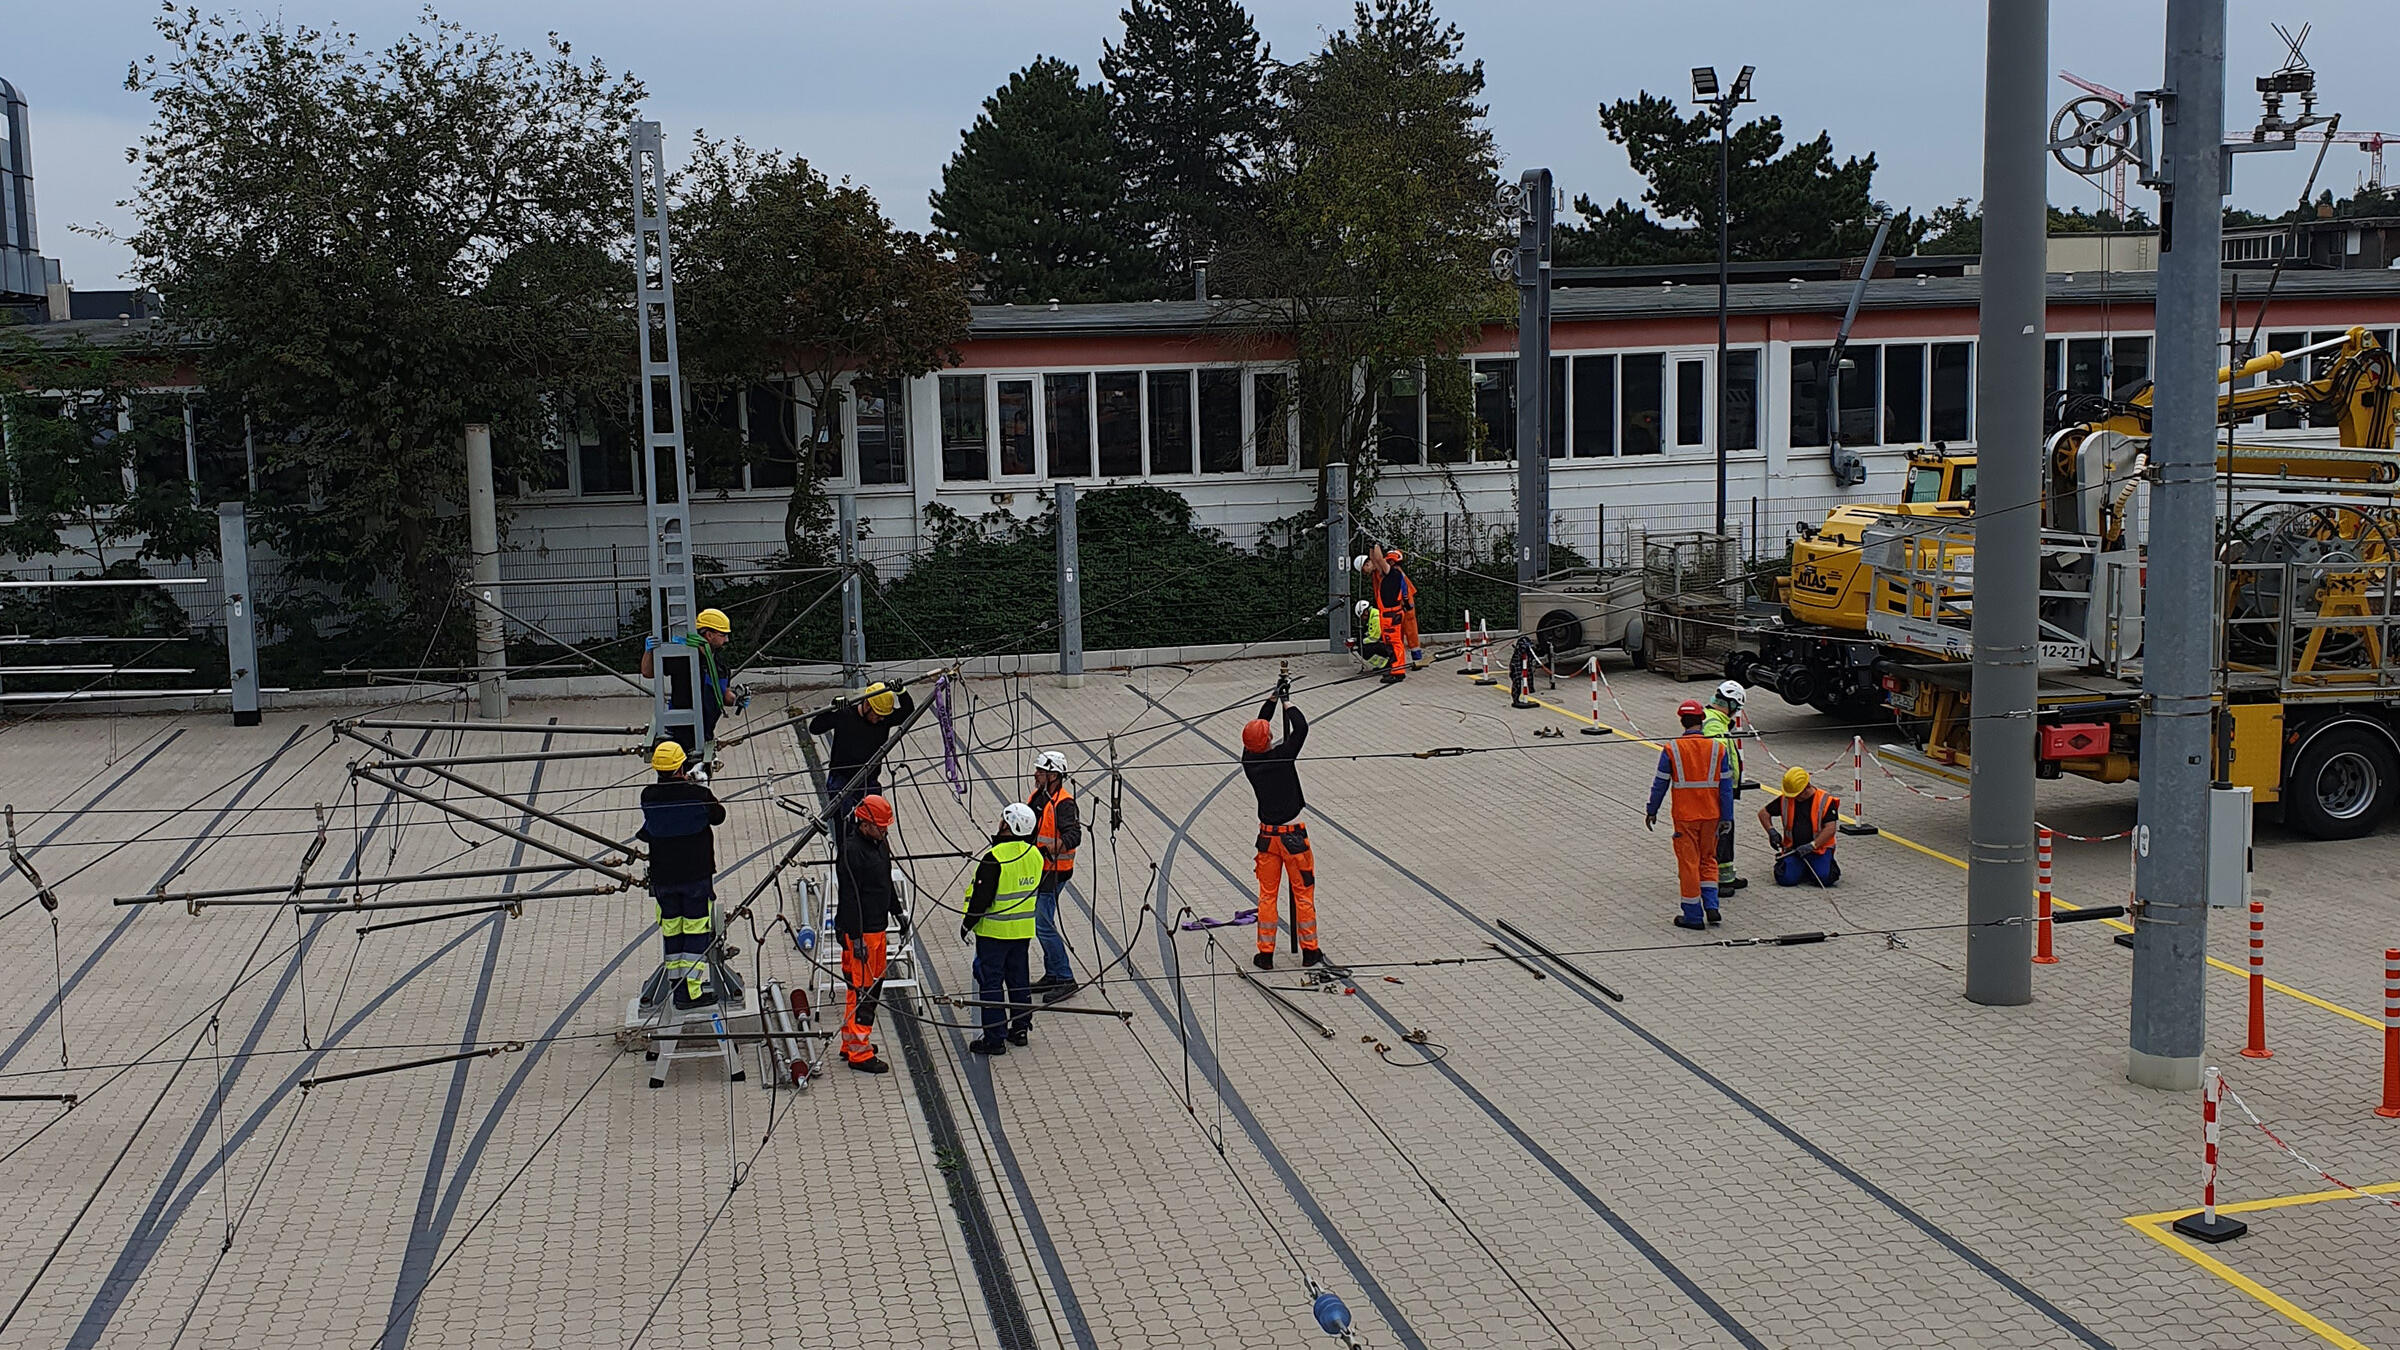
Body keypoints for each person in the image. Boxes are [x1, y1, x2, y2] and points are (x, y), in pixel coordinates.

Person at [637, 739, 727, 1008]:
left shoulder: (648, 796)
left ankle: (677, 989)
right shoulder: (697, 795)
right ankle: (693, 991)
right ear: (680, 768)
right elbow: (718, 815)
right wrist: (700, 786)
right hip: (695, 877)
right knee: (696, 932)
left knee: (673, 933)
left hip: (664, 878)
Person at [1241, 686, 1325, 969]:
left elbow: (1258, 730)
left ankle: (1265, 954)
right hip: (1293, 838)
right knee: (1303, 894)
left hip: (1266, 838)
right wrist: (1286, 702)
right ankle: (1310, 951)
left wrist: (1270, 700)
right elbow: (1300, 728)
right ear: (1268, 740)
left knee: (1267, 895)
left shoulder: (1249, 761)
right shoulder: (1283, 756)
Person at [960, 802, 1045, 1056]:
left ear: (1008, 826)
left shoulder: (994, 858)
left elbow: (981, 898)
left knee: (992, 984)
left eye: (1003, 820)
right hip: (1022, 931)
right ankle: (1020, 1028)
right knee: (1018, 981)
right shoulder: (1035, 855)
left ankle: (994, 1038)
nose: (999, 823)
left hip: (994, 933)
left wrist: (967, 924)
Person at [1645, 699, 1736, 931]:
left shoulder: (1672, 749)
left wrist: (1651, 810)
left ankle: (1693, 916)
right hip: (1712, 816)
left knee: (1689, 864)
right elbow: (1726, 788)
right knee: (1708, 860)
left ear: (1682, 722)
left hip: (1685, 818)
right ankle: (1712, 907)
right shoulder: (1718, 749)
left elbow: (1660, 784)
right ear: (1702, 721)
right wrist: (1727, 817)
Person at [834, 794, 906, 1073]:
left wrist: (897, 911)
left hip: (876, 928)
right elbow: (849, 896)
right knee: (865, 992)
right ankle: (860, 1054)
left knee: (864, 988)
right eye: (881, 827)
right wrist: (856, 936)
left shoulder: (877, 844)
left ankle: (850, 1042)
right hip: (861, 933)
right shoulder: (852, 851)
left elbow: (884, 881)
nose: (885, 831)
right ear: (864, 824)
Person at [639, 608, 740, 764]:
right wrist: (649, 652)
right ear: (709, 635)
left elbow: (723, 694)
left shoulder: (718, 663)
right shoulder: (684, 658)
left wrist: (737, 699)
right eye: (723, 635)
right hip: (681, 733)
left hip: (705, 732)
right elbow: (648, 672)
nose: (726, 640)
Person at [1025, 750, 1082, 1002]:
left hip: (1055, 873)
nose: (1036, 774)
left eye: (1040, 771)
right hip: (1040, 869)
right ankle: (1052, 973)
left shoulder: (1064, 803)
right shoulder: (1038, 797)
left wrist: (1053, 848)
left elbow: (1074, 835)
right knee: (1042, 922)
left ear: (1054, 775)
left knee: (1042, 923)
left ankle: (1065, 977)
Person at [810, 681, 914, 815]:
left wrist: (901, 692)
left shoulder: (884, 718)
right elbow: (815, 728)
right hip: (841, 778)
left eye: (882, 716)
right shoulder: (845, 714)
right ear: (866, 704)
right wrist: (832, 708)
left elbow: (908, 712)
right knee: (843, 817)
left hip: (868, 778)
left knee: (875, 816)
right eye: (876, 714)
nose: (879, 719)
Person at [1759, 767, 1843, 887]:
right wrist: (1771, 831)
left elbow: (1830, 829)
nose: (1793, 798)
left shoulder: (1824, 801)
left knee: (1825, 878)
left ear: (1806, 787)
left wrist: (1812, 845)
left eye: (1797, 795)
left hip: (1819, 849)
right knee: (1785, 879)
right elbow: (1763, 813)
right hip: (1794, 850)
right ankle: (1800, 868)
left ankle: (1818, 866)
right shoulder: (1787, 799)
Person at [1704, 680, 1750, 893]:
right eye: (1736, 708)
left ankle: (1726, 875)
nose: (1736, 713)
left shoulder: (1715, 720)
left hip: (1720, 789)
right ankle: (1719, 880)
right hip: (1719, 790)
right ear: (1729, 704)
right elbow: (1719, 759)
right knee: (1722, 831)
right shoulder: (1714, 724)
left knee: (1725, 832)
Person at [1365, 549, 1408, 683]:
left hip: (1391, 614)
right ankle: (1396, 669)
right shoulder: (1390, 574)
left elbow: (1379, 560)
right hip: (1388, 614)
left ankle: (1398, 671)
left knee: (1395, 644)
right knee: (1391, 643)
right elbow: (1376, 561)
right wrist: (1371, 547)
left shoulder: (1393, 574)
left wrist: (1375, 545)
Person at [1387, 548, 1423, 664]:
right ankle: (1413, 659)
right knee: (1406, 633)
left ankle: (1416, 660)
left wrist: (1406, 602)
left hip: (1405, 606)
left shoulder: (1397, 573)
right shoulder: (1398, 572)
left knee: (1409, 632)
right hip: (1404, 605)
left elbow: (1404, 590)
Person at [1355, 601, 1389, 672]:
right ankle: (1384, 664)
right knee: (1362, 648)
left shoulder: (1375, 618)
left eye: (1362, 616)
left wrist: (1361, 641)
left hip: (1386, 644)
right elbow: (1371, 632)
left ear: (1365, 612)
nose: (1363, 619)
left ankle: (1386, 664)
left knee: (1363, 650)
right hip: (1385, 642)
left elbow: (1374, 638)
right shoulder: (1373, 616)